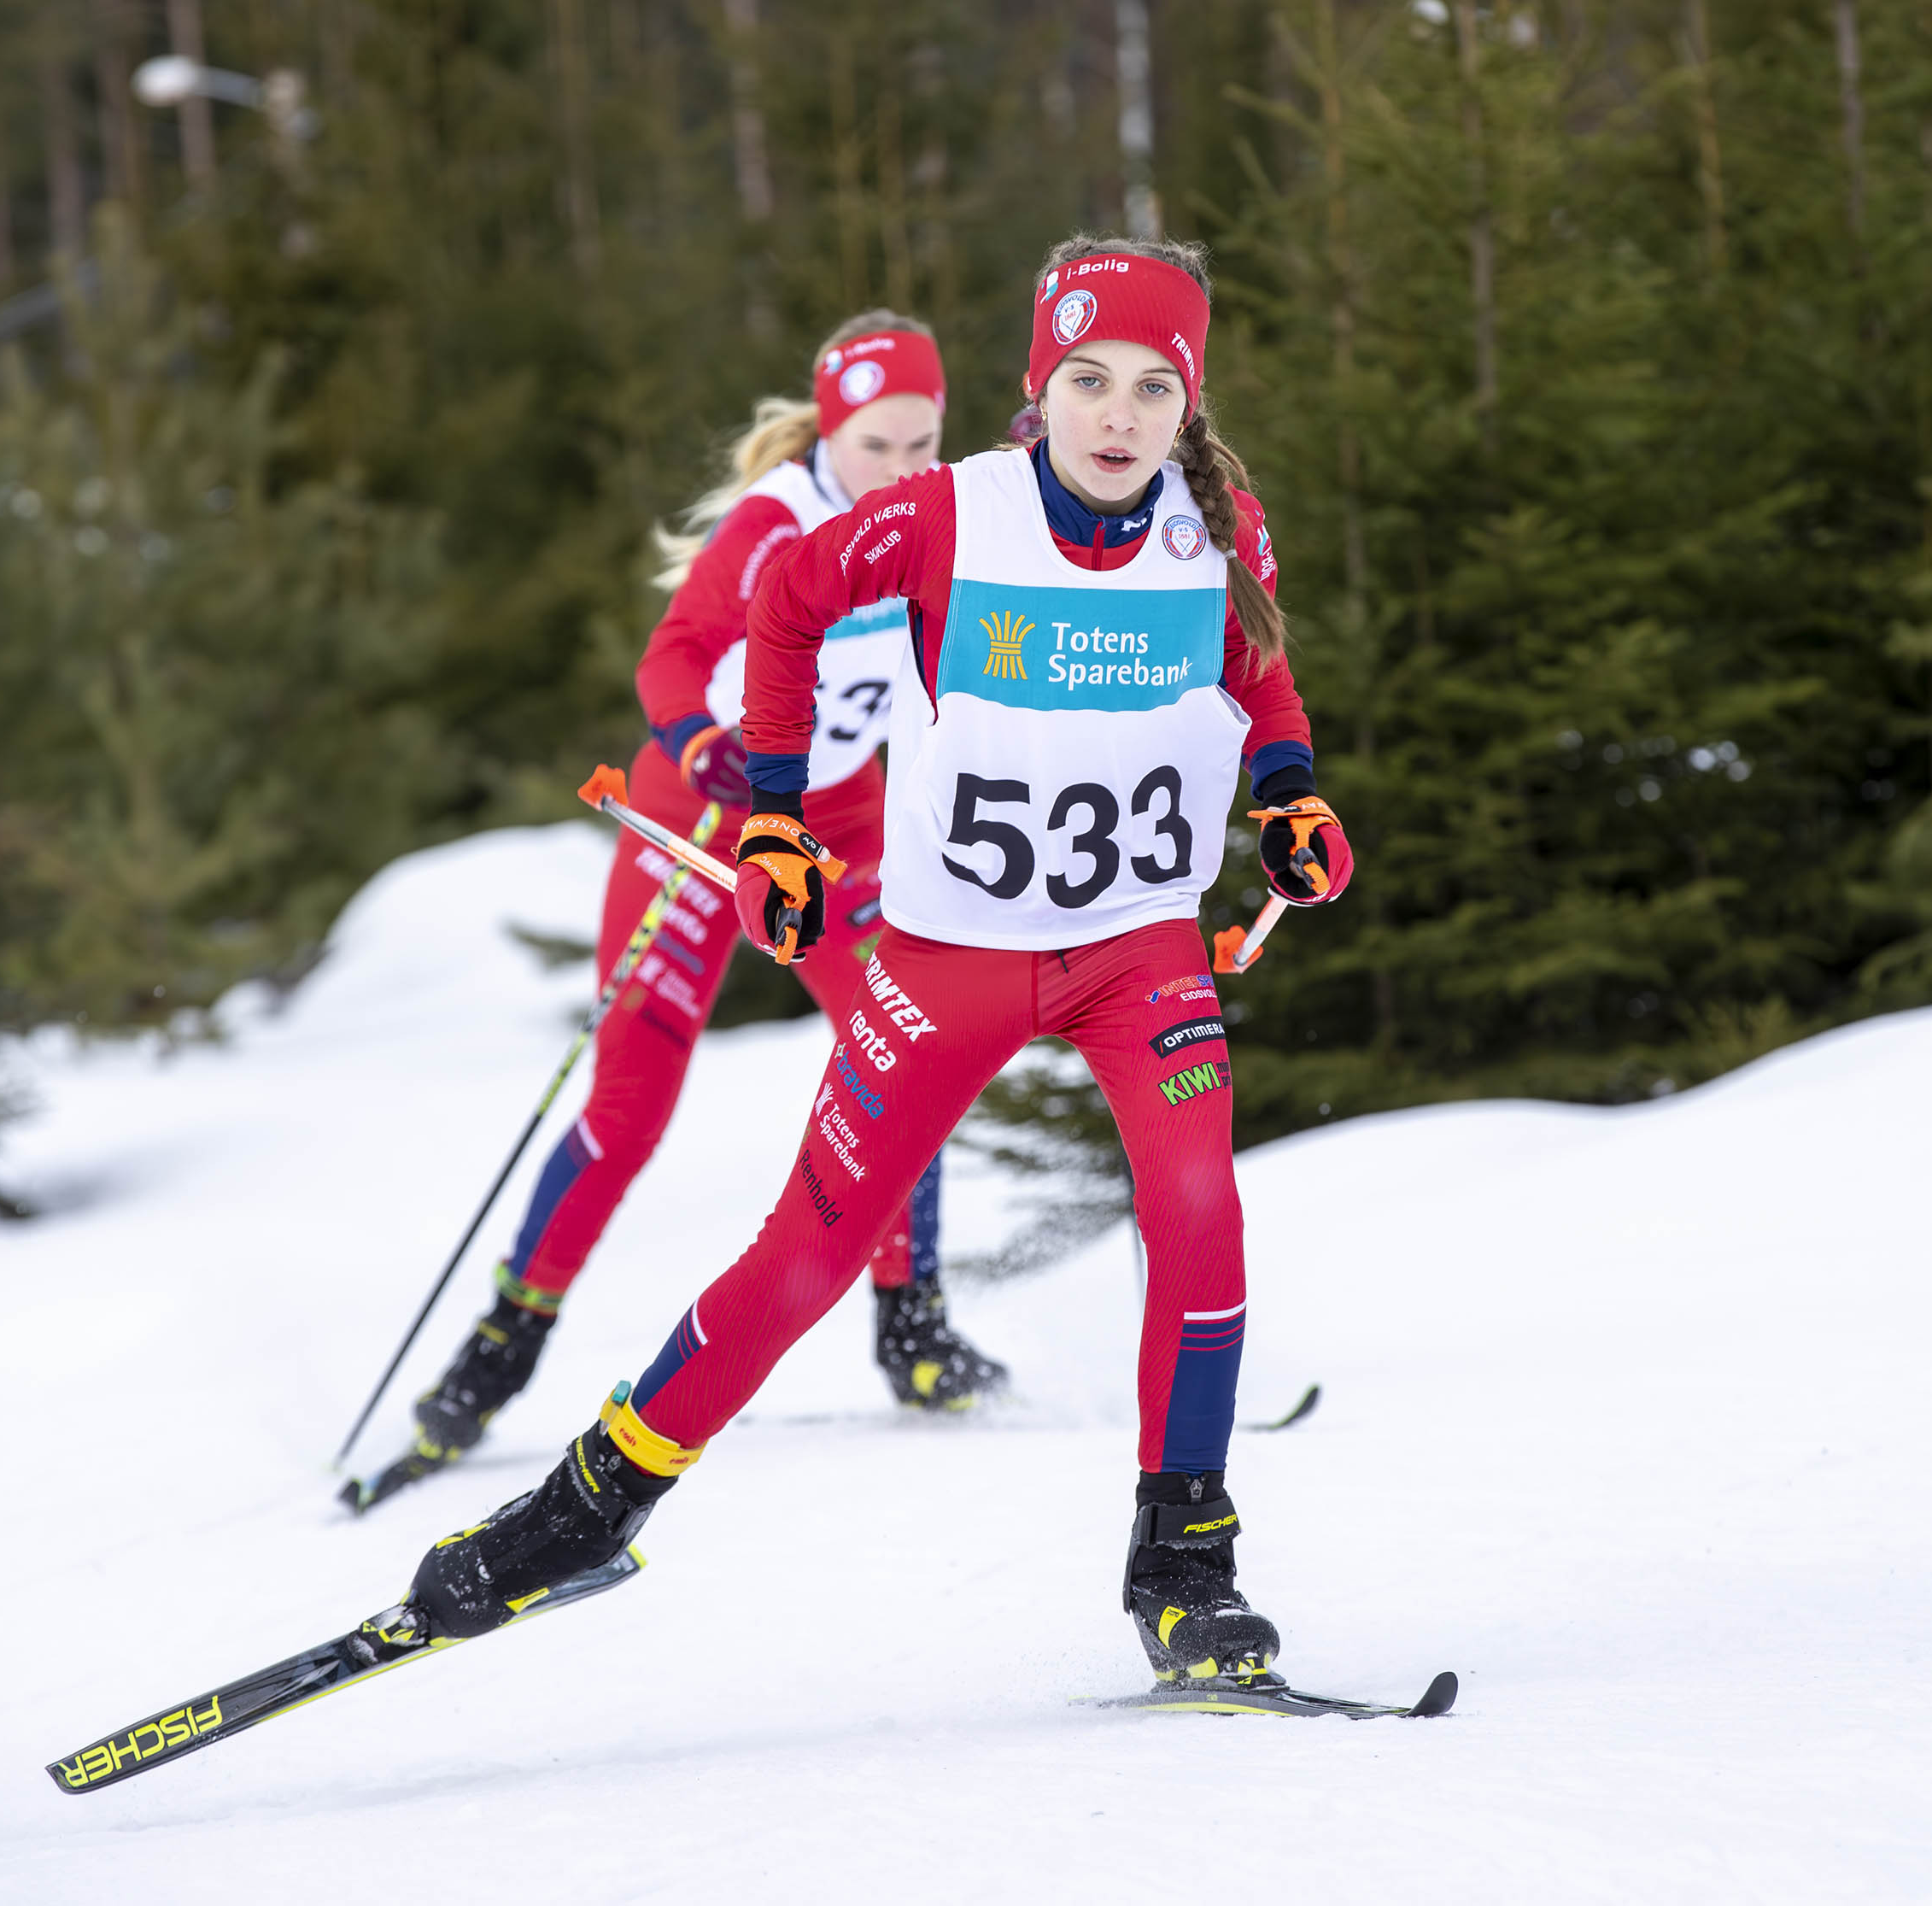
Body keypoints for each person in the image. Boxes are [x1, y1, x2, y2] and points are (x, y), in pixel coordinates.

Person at [395, 234, 1356, 1690]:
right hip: (955, 954)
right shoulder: (942, 518)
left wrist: (1289, 791)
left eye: (1153, 388)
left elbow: (1257, 664)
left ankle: (1184, 1565)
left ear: (1189, 405)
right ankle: (589, 1504)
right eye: (1088, 380)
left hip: (1136, 951)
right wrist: (770, 812)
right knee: (804, 1256)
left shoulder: (1213, 523)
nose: (1118, 415)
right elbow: (782, 604)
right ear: (1039, 389)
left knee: (1198, 1209)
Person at [374, 313, 1012, 1509]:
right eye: (879, 444)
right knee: (632, 1096)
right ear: (831, 431)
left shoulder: (937, 517)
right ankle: (499, 1350)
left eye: (924, 439)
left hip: (843, 825)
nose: (907, 467)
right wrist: (706, 746)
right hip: (705, 819)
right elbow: (669, 659)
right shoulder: (775, 525)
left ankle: (914, 1330)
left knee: (908, 1045)